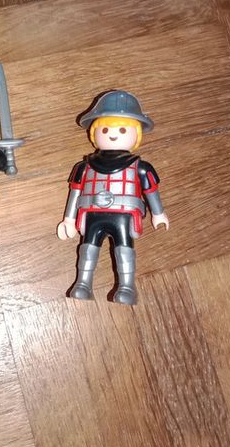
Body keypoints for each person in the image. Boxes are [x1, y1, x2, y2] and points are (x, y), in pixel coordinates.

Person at [57, 90, 169, 305]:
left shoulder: (140, 167)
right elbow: (75, 192)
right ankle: (83, 283)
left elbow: (151, 191)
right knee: (87, 249)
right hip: (92, 215)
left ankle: (127, 287)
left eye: (123, 129)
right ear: (94, 133)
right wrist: (69, 219)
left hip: (123, 216)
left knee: (124, 250)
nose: (113, 134)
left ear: (136, 135)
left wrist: (158, 213)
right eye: (106, 129)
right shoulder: (84, 167)